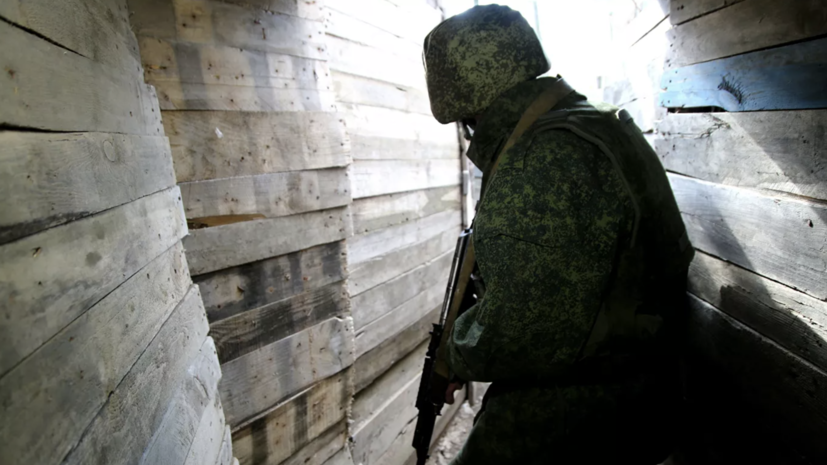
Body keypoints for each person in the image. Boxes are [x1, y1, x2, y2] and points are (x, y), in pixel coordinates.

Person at [422, 5, 695, 464]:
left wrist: (455, 354)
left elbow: (525, 331)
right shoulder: (592, 123)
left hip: (594, 397)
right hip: (641, 381)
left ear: (467, 104)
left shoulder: (539, 160)